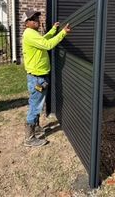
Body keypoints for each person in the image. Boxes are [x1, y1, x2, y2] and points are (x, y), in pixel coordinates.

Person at [22, 9, 71, 147]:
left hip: (39, 76)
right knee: (35, 105)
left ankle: (36, 127)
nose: (37, 21)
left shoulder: (33, 34)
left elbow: (43, 40)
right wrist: (63, 33)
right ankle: (29, 138)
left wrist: (53, 30)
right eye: (34, 19)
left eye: (37, 18)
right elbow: (48, 45)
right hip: (37, 78)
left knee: (37, 103)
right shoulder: (30, 34)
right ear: (27, 23)